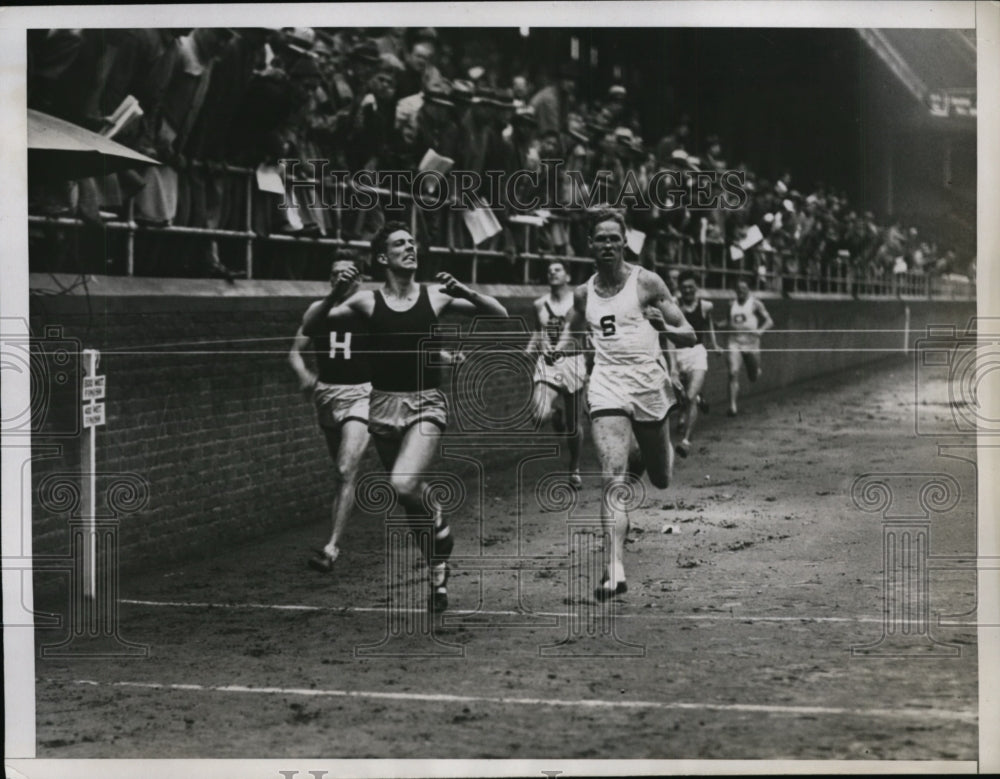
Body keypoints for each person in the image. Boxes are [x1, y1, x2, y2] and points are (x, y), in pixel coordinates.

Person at [301, 221, 508, 612]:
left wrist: (465, 291)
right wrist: (334, 293)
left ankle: (441, 523)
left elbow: (499, 312)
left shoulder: (435, 297)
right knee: (411, 502)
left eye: (412, 242)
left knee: (402, 483)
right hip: (381, 406)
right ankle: (438, 570)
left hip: (426, 404)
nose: (410, 247)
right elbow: (312, 325)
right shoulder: (365, 301)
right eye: (400, 244)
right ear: (383, 258)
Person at [556, 211, 695, 600]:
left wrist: (663, 327)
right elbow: (570, 335)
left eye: (614, 238)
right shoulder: (584, 294)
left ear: (625, 242)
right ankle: (614, 570)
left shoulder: (647, 282)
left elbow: (690, 334)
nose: (608, 245)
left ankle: (653, 452)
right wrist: (553, 354)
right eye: (600, 238)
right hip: (606, 385)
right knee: (611, 477)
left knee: (661, 476)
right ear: (589, 244)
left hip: (648, 387)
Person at [291, 250, 372, 572]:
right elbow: (296, 351)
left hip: (363, 396)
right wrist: (304, 375)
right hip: (326, 396)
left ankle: (331, 546)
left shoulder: (369, 309)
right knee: (340, 474)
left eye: (347, 274)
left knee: (344, 469)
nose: (340, 278)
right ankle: (334, 536)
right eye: (335, 273)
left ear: (360, 279)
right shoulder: (317, 310)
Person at [525, 260, 587, 487]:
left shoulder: (578, 303)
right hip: (548, 364)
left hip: (573, 362)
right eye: (549, 270)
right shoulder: (539, 304)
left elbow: (581, 331)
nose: (552, 272)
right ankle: (555, 414)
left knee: (573, 427)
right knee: (538, 415)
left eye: (557, 269)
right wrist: (530, 348)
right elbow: (538, 331)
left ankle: (575, 467)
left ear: (567, 276)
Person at [672, 271, 721, 458]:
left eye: (691, 287)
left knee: (690, 396)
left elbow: (709, 325)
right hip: (679, 353)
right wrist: (673, 364)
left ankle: (686, 441)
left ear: (696, 288)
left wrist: (714, 344)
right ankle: (698, 399)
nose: (687, 290)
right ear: (680, 289)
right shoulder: (674, 307)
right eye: (684, 287)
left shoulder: (706, 306)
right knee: (683, 397)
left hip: (697, 352)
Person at [725, 277, 774, 416]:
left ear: (748, 290)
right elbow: (728, 322)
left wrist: (760, 331)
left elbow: (769, 321)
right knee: (733, 372)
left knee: (753, 377)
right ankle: (732, 406)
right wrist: (717, 325)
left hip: (751, 343)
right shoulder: (731, 304)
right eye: (738, 289)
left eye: (744, 289)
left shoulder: (756, 304)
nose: (741, 292)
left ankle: (756, 370)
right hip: (734, 342)